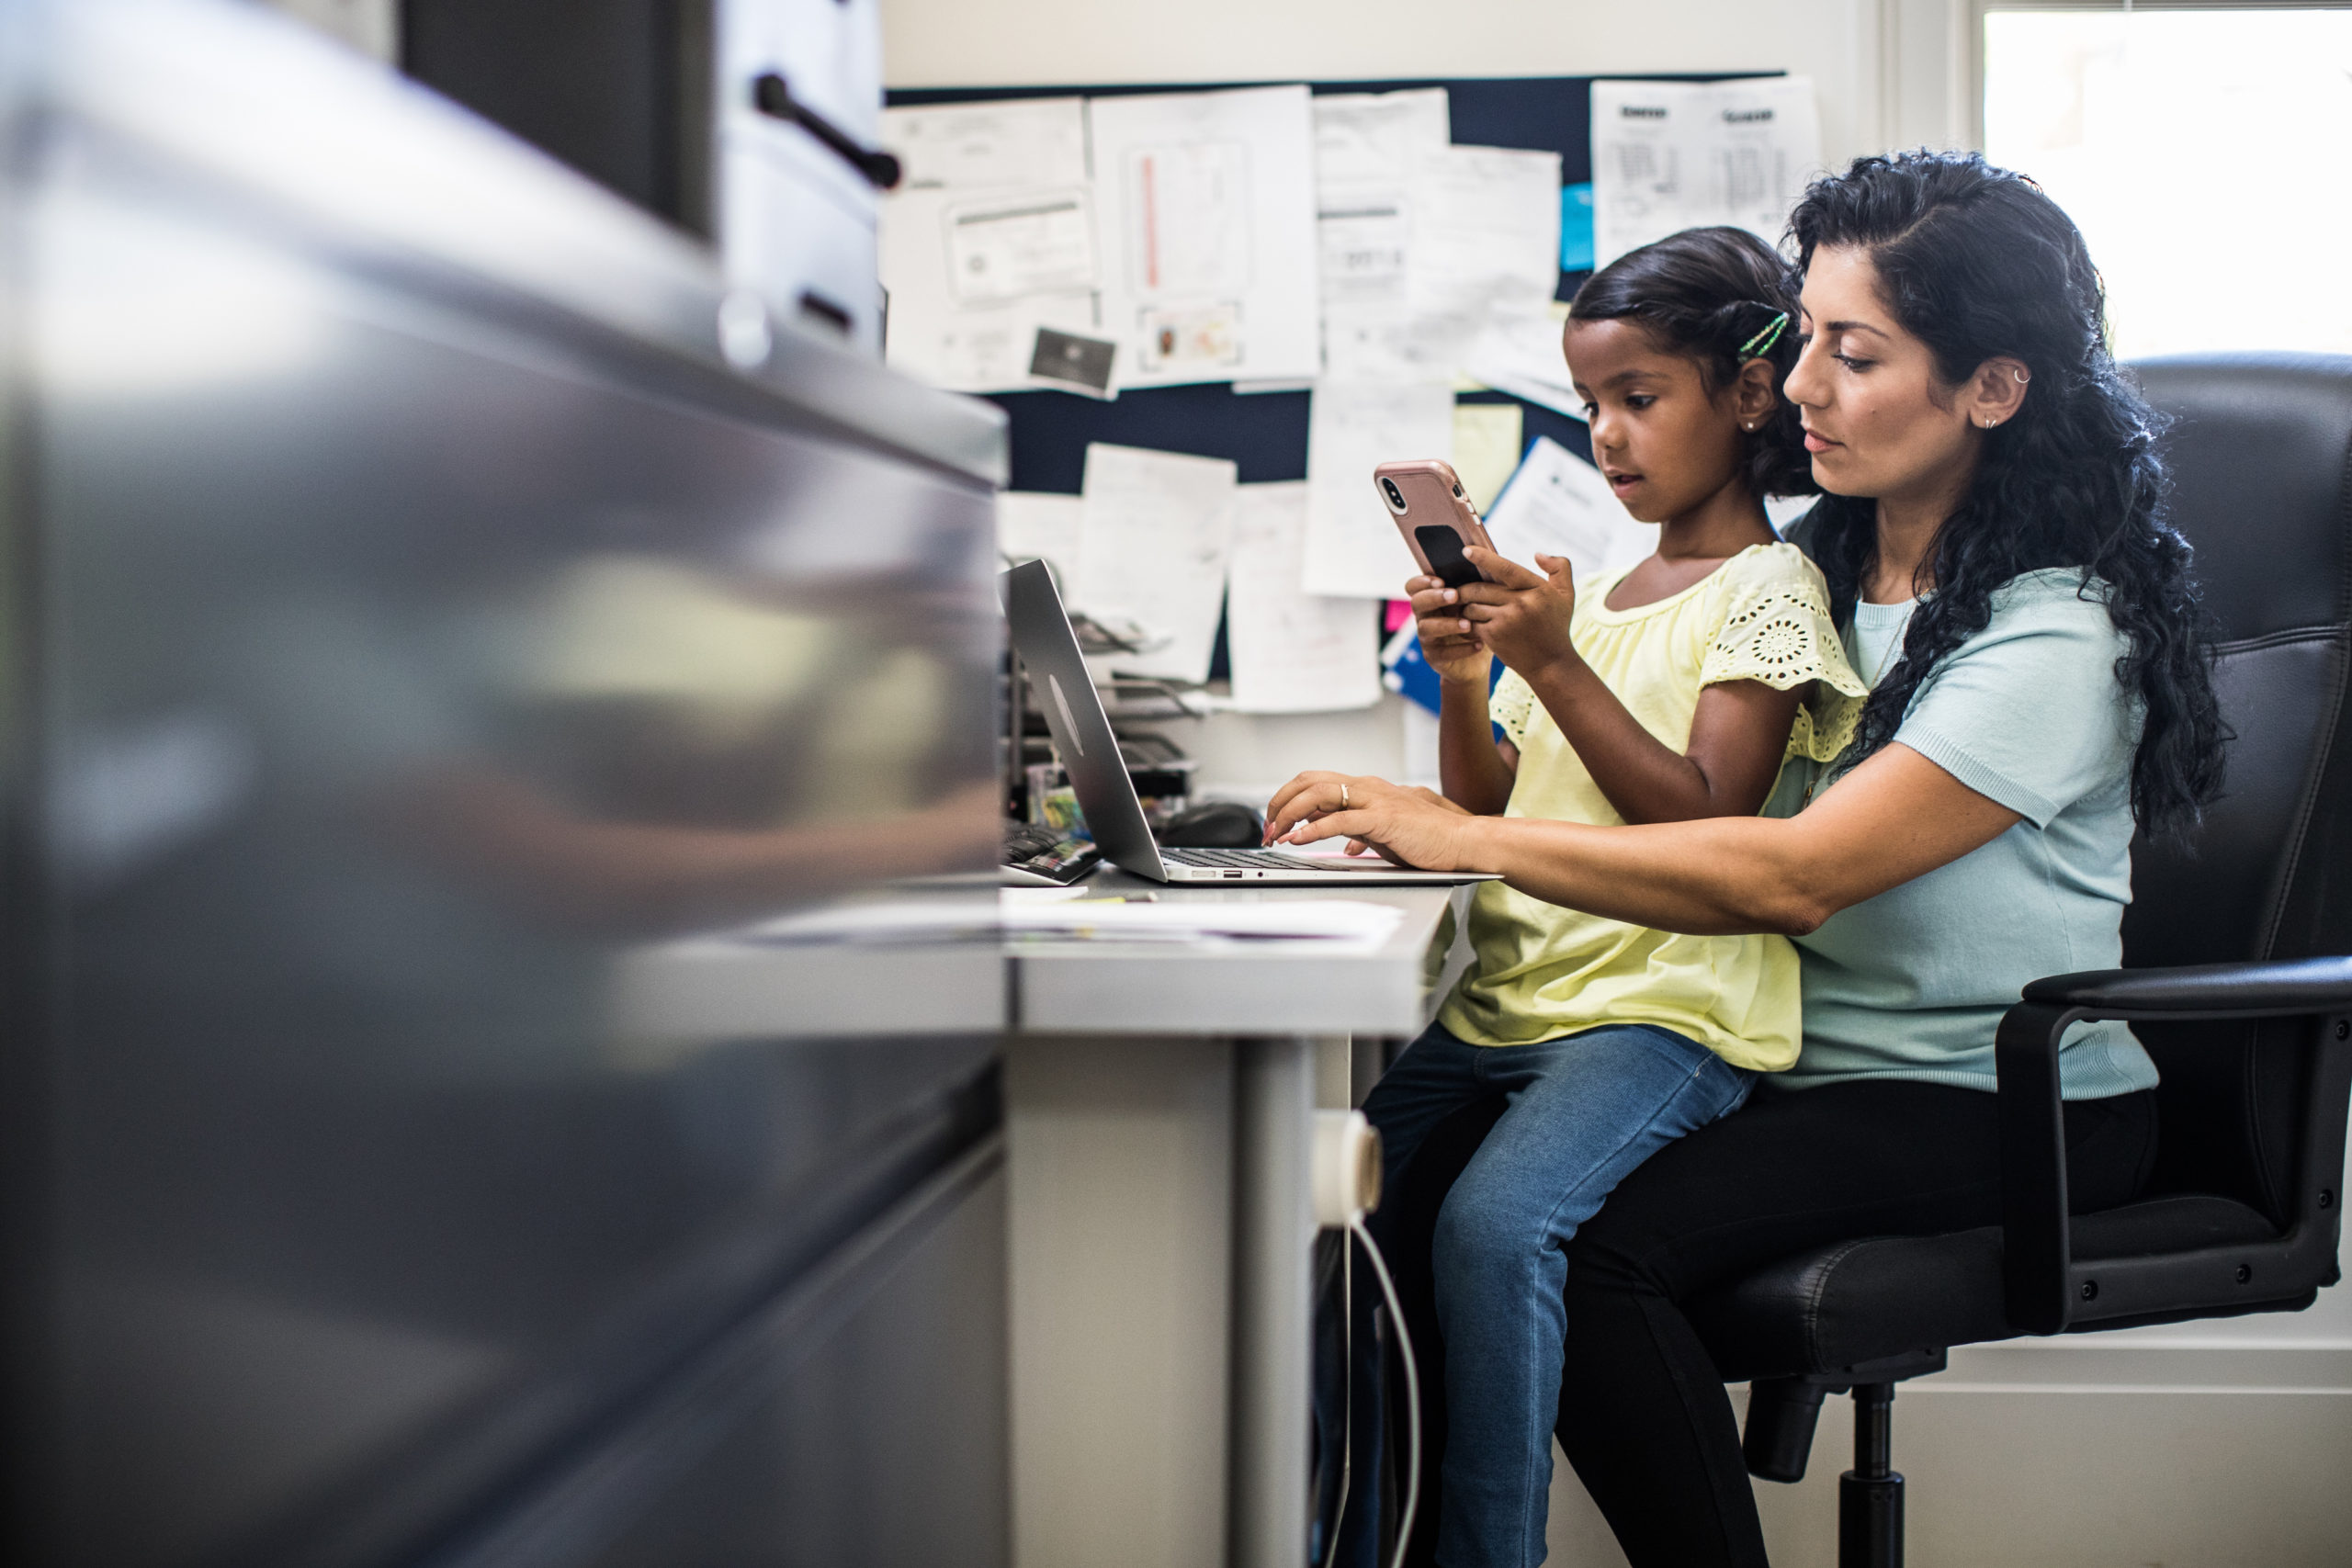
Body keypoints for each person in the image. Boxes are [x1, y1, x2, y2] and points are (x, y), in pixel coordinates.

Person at [1268, 150, 2225, 1567]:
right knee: (1388, 1198)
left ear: (1993, 388)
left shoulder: (2057, 635)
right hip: (1792, 1059)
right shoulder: (1813, 575)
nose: (1805, 391)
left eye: (1856, 354)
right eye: (1800, 347)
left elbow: (1790, 876)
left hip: (1986, 1093)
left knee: (1583, 1250)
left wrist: (1463, 835)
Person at [1326, 227, 1865, 1568]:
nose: (1609, 438)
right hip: (1516, 992)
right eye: (1590, 407)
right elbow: (1500, 810)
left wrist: (1553, 661)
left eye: (1640, 398)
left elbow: (1706, 820)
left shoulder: (1773, 589)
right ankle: (1367, 1531)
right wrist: (1465, 680)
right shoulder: (1607, 594)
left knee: (1499, 1227)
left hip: (1662, 1012)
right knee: (1343, 1199)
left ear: (1747, 398)